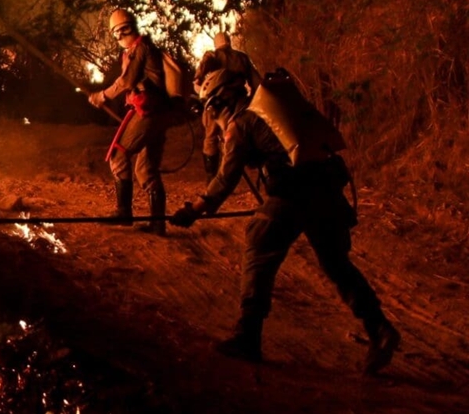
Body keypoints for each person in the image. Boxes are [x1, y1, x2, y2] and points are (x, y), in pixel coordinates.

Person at [169, 69, 400, 374]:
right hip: (327, 193)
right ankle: (379, 328)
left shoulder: (242, 123)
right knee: (337, 265)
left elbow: (226, 178)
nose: (212, 114)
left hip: (291, 195)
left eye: (212, 106)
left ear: (222, 99)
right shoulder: (270, 113)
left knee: (257, 245)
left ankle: (247, 337)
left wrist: (194, 209)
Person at [88, 9, 171, 236]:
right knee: (146, 169)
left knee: (118, 155)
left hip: (148, 113)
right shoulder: (143, 48)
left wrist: (102, 95)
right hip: (159, 113)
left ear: (121, 31)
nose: (118, 37)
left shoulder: (140, 49)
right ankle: (157, 224)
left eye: (117, 32)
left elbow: (127, 81)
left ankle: (124, 212)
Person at [193, 31, 261, 180]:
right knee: (232, 138)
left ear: (216, 44)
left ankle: (212, 179)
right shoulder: (242, 57)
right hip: (238, 105)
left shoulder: (212, 56)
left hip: (215, 105)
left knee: (210, 138)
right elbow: (257, 84)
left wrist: (200, 87)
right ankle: (229, 176)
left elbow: (198, 79)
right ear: (229, 42)